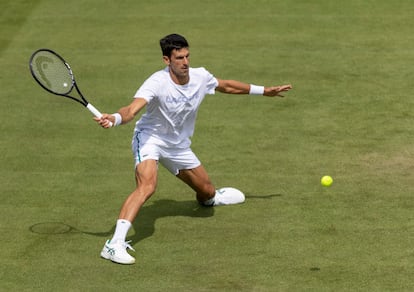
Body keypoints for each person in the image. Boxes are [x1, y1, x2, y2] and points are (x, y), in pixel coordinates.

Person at [95, 33, 292, 264]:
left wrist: (264, 90)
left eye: (187, 56)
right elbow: (132, 109)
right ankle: (114, 244)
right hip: (151, 139)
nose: (185, 62)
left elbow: (226, 86)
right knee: (147, 185)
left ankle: (211, 198)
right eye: (179, 58)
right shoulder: (156, 82)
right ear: (166, 60)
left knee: (207, 192)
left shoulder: (200, 76)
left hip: (178, 146)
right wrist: (117, 118)